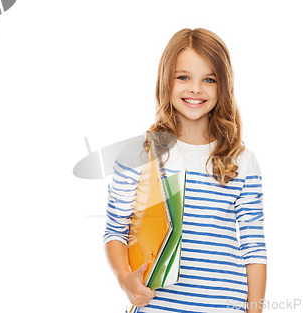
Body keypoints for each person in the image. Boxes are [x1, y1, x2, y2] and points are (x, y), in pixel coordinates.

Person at [104, 28, 267, 313]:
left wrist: (255, 311)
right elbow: (115, 231)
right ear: (165, 80)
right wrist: (125, 281)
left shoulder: (242, 161)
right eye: (183, 77)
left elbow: (254, 247)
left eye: (209, 79)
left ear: (224, 86)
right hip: (157, 306)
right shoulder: (138, 155)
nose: (195, 88)